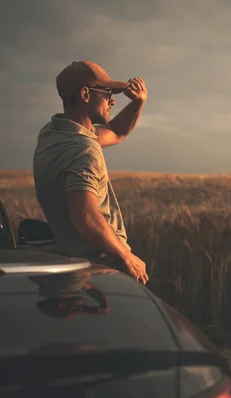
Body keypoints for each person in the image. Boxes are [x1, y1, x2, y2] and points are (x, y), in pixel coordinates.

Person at [32, 60, 149, 285]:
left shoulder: (51, 133)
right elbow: (85, 218)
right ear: (86, 94)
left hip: (73, 264)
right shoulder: (85, 150)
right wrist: (126, 256)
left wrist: (138, 103)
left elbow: (116, 132)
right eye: (106, 93)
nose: (112, 100)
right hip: (103, 267)